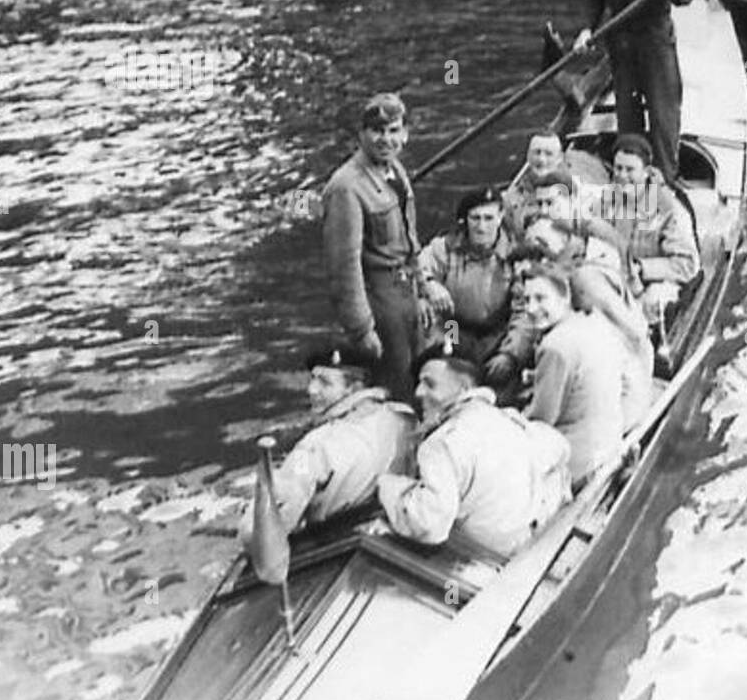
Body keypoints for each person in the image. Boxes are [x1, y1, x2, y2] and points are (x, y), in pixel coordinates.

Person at [376, 342, 572, 556]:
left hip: (480, 558)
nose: (418, 393)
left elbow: (428, 523)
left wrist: (388, 486)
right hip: (527, 548)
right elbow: (560, 447)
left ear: (464, 388)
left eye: (429, 384)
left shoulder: (443, 443)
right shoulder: (507, 419)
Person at [238, 347, 414, 554]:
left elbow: (270, 525)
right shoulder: (402, 419)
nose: (311, 389)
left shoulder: (313, 447)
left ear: (354, 388)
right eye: (312, 379)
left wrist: (249, 528)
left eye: (324, 382)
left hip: (326, 543)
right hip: (385, 531)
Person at [576, 0, 694, 187]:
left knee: (663, 114)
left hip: (655, 44)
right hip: (622, 46)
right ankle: (629, 180)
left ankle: (665, 180)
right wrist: (588, 29)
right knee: (628, 117)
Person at [321, 92, 422, 403]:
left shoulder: (395, 170)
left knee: (418, 375)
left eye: (393, 130)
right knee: (395, 385)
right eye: (377, 131)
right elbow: (344, 268)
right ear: (362, 134)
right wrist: (362, 329)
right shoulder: (346, 187)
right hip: (378, 298)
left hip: (405, 290)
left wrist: (424, 286)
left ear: (405, 134)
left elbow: (410, 238)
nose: (386, 140)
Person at [522, 215, 651, 432]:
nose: (541, 254)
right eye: (535, 247)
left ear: (564, 238)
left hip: (622, 396)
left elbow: (633, 335)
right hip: (618, 382)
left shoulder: (583, 280)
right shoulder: (569, 270)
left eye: (542, 243)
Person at [522, 265, 626, 487]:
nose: (530, 308)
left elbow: (542, 420)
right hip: (608, 439)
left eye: (540, 298)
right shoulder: (592, 323)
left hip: (578, 458)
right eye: (526, 300)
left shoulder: (555, 346)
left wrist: (511, 418)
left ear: (565, 297)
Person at [416, 185, 532, 368]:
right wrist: (430, 285)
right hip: (454, 328)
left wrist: (510, 354)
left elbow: (524, 312)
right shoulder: (446, 248)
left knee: (501, 372)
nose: (481, 227)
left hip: (497, 338)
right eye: (475, 218)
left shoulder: (515, 255)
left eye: (488, 218)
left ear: (500, 217)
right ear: (466, 219)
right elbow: (417, 267)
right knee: (443, 367)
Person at [603, 133, 698, 329]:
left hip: (654, 281)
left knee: (652, 301)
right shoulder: (608, 200)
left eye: (630, 170)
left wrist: (641, 268)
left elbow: (687, 264)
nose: (622, 176)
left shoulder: (669, 209)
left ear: (646, 172)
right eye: (618, 168)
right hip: (617, 274)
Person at [502, 131, 566, 238]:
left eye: (548, 154)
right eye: (537, 152)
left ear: (560, 158)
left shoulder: (578, 195)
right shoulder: (511, 197)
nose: (541, 160)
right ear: (528, 156)